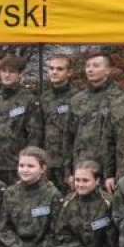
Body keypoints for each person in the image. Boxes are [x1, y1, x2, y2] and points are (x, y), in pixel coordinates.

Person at [0, 54, 45, 185]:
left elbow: (35, 134)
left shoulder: (29, 100)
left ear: (20, 74)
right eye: (4, 71)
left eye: (11, 72)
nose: (7, 75)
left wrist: (30, 162)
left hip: (16, 164)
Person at [70, 51, 117, 188]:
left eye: (96, 65)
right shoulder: (77, 100)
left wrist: (111, 174)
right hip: (81, 169)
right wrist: (69, 170)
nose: (90, 69)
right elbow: (69, 136)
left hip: (106, 170)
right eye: (88, 66)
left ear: (107, 70)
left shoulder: (118, 98)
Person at [41, 54, 77, 186]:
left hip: (67, 163)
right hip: (47, 162)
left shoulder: (77, 98)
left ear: (69, 73)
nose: (54, 72)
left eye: (60, 69)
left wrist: (71, 168)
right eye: (51, 68)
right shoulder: (44, 98)